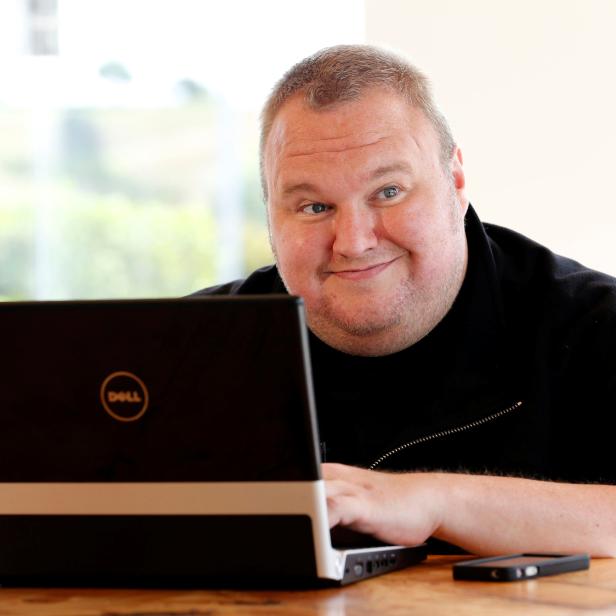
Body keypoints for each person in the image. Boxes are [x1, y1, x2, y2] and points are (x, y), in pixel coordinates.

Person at [195, 45, 616, 556]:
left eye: (388, 191)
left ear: (455, 183)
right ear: (270, 218)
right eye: (313, 206)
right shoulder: (189, 345)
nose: (353, 240)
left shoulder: (594, 325)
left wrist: (435, 502)